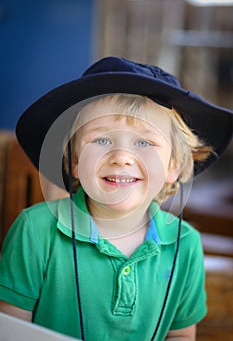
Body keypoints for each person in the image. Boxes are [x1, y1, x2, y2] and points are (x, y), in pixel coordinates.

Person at [0, 56, 232, 341]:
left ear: (174, 166)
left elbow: (180, 335)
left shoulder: (186, 245)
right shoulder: (35, 231)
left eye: (144, 142)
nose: (121, 157)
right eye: (101, 140)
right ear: (74, 161)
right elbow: (11, 331)